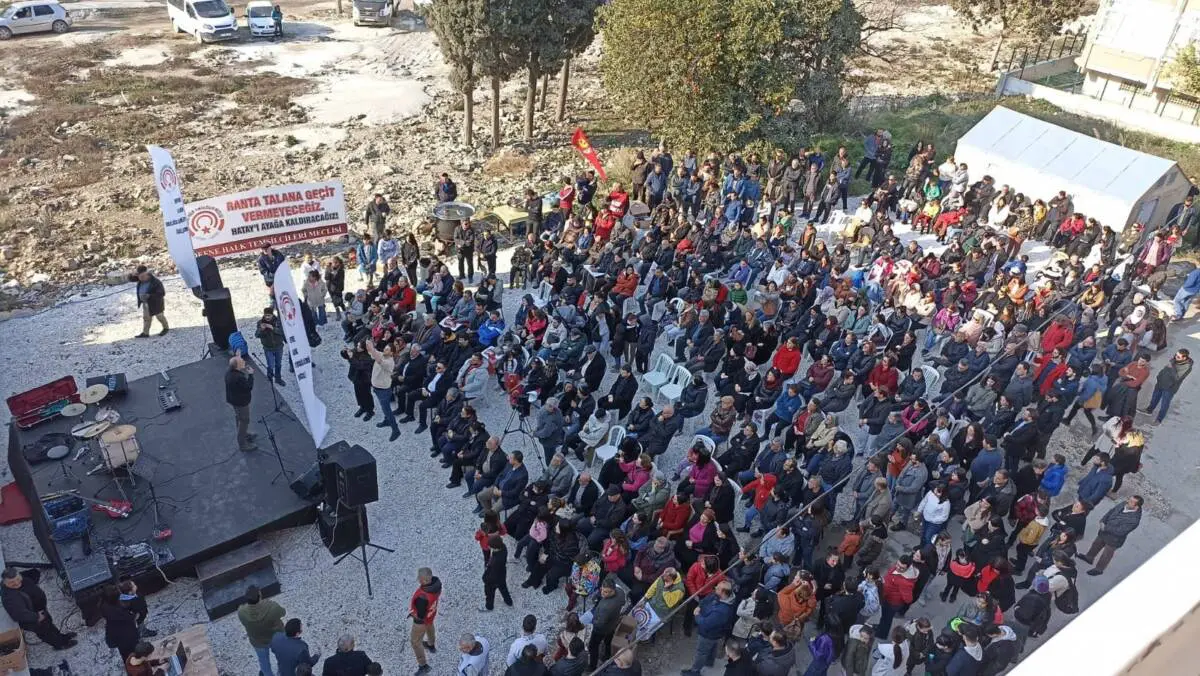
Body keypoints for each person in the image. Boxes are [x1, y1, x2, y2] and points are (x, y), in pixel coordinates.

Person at [1077, 495, 1144, 576]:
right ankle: (1089, 557)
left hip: (1114, 539)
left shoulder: (1134, 520)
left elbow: (1121, 531)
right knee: (1096, 544)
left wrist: (1105, 528)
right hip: (1103, 531)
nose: (1127, 502)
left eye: (1131, 502)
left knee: (1106, 555)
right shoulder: (1124, 504)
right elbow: (1111, 511)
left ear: (1136, 507)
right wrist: (1103, 521)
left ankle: (1099, 569)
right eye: (1129, 500)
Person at [682, 580, 736, 676]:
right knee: (712, 647)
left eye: (718, 588)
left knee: (701, 652)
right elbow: (706, 600)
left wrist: (697, 615)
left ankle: (695, 672)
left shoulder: (722, 611)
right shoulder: (718, 596)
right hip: (715, 633)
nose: (715, 588)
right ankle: (709, 662)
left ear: (723, 592)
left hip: (708, 634)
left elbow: (705, 624)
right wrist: (699, 606)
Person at [236, 585, 284, 676]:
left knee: (264, 663)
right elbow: (283, 612)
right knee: (281, 658)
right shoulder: (272, 607)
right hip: (276, 638)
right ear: (260, 596)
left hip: (257, 641)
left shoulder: (241, 611)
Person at [365, 340, 401, 441]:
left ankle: (396, 430)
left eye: (387, 349)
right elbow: (373, 353)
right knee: (384, 407)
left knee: (387, 410)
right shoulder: (381, 354)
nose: (384, 350)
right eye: (385, 348)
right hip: (377, 388)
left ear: (392, 353)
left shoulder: (390, 362)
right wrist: (369, 346)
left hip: (383, 391)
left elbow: (379, 360)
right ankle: (386, 421)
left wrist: (372, 348)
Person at [1144, 348, 1192, 423]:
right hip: (1161, 382)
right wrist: (1159, 376)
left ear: (1184, 358)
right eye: (1176, 355)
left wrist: (1172, 366)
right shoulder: (1174, 360)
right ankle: (1149, 410)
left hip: (1169, 388)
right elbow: (1165, 369)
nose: (1176, 357)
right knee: (1155, 397)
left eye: (1178, 357)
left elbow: (1177, 378)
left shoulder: (1187, 367)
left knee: (1164, 404)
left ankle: (1159, 419)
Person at [410, 567, 442, 674]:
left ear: (424, 580)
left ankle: (423, 665)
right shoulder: (437, 584)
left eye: (419, 578)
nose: (418, 579)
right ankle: (431, 645)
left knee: (415, 642)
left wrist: (414, 614)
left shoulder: (422, 597)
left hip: (421, 622)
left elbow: (420, 615)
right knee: (430, 626)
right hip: (431, 614)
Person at [225, 354, 258, 452]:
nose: (243, 362)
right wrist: (251, 375)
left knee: (239, 418)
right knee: (244, 421)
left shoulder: (229, 373)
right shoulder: (239, 377)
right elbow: (248, 387)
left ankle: (244, 434)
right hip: (241, 402)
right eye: (241, 362)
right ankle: (243, 444)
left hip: (233, 400)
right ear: (237, 366)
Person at [99, 585, 139, 660]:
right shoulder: (119, 612)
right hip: (127, 636)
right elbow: (133, 617)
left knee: (125, 654)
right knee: (132, 654)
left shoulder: (104, 606)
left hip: (115, 634)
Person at [129, 265, 168, 338]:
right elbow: (130, 279)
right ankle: (145, 333)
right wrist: (132, 274)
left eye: (143, 277)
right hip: (146, 303)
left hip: (156, 303)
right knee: (146, 318)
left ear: (147, 274)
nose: (141, 279)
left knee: (160, 316)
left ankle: (166, 328)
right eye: (139, 277)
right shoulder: (140, 279)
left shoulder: (156, 282)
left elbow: (162, 293)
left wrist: (150, 296)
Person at [255, 306, 286, 386]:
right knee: (270, 365)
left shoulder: (278, 321)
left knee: (278, 364)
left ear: (272, 315)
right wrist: (261, 330)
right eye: (266, 315)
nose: (267, 317)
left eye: (269, 315)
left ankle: (278, 379)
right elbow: (257, 335)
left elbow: (283, 332)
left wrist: (273, 328)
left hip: (279, 347)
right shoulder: (260, 323)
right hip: (268, 348)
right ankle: (270, 379)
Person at [482, 534, 514, 611]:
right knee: (503, 588)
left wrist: (485, 578)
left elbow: (492, 575)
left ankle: (489, 607)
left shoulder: (496, 561)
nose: (489, 547)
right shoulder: (503, 547)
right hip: (502, 574)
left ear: (495, 547)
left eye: (490, 546)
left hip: (494, 580)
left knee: (490, 594)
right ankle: (509, 602)